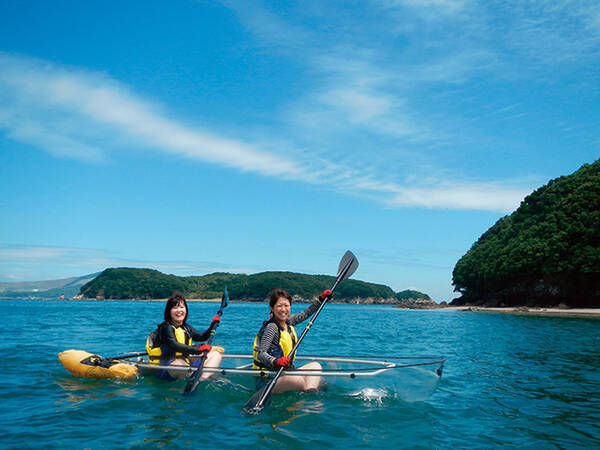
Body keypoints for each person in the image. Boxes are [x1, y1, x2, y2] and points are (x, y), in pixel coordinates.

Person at [252, 288, 332, 393]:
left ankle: (311, 395)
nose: (283, 309)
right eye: (279, 306)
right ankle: (309, 393)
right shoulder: (272, 327)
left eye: (286, 306)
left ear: (290, 307)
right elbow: (261, 354)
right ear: (272, 308)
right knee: (301, 380)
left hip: (284, 374)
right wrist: (276, 361)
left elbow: (306, 313)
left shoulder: (288, 322)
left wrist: (321, 300)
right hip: (268, 379)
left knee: (315, 366)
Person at [146, 291, 222, 381]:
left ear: (186, 310)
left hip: (185, 365)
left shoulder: (186, 327)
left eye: (182, 307)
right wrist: (197, 349)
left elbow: (202, 337)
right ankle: (195, 376)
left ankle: (202, 379)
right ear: (169, 311)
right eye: (175, 308)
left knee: (216, 355)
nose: (179, 311)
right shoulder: (166, 327)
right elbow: (174, 344)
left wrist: (212, 325)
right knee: (180, 364)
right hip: (164, 367)